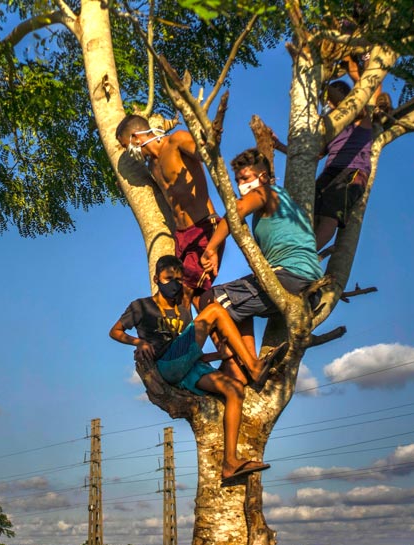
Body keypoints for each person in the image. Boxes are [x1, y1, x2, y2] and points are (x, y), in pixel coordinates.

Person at [110, 255, 281, 481]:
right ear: (156, 279)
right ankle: (254, 366)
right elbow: (115, 331)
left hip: (187, 366)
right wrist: (139, 342)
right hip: (166, 364)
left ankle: (230, 463)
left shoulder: (182, 309)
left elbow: (189, 346)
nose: (174, 284)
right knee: (215, 311)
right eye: (168, 278)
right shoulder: (141, 306)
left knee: (234, 390)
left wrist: (216, 355)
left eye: (178, 279)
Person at [199, 148, 324, 366]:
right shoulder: (283, 199)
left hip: (290, 276)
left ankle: (229, 357)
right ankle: (249, 362)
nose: (241, 185)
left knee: (209, 299)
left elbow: (236, 209)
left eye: (246, 178)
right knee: (239, 308)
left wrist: (211, 249)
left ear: (263, 177)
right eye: (237, 180)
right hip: (308, 285)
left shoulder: (265, 193)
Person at [115, 114, 224, 308]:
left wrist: (209, 140)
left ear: (136, 137)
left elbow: (203, 153)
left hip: (203, 228)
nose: (128, 151)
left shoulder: (176, 140)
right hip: (181, 237)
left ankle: (180, 339)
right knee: (199, 301)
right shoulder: (151, 166)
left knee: (180, 294)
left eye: (126, 145)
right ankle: (225, 337)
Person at [273, 80, 377, 253]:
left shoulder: (360, 117)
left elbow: (346, 103)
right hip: (330, 171)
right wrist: (278, 145)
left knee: (330, 216)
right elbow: (314, 154)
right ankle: (296, 253)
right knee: (309, 210)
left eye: (329, 100)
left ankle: (307, 256)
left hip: (352, 170)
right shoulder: (331, 128)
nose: (327, 104)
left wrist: (321, 84)